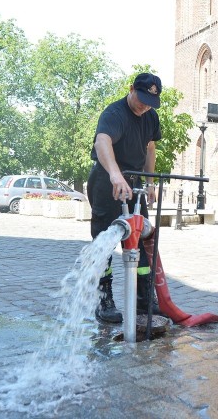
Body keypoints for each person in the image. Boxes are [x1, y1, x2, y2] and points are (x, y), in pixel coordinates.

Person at [87, 72, 163, 323]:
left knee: (140, 240)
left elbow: (150, 147)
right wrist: (116, 175)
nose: (144, 106)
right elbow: (102, 143)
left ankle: (143, 298)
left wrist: (150, 181)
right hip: (107, 182)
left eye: (150, 102)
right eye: (141, 99)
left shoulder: (150, 116)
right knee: (105, 243)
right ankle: (104, 300)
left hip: (135, 184)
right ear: (131, 89)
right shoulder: (115, 113)